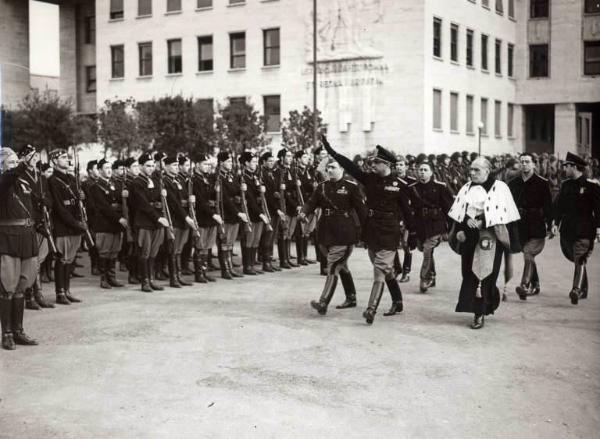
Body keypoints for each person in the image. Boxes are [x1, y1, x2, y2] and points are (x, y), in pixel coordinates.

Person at [321, 136, 414, 324]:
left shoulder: (401, 186)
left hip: (389, 231)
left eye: (377, 162)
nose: (373, 165)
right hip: (372, 230)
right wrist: (332, 152)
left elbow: (408, 213)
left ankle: (371, 310)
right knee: (384, 268)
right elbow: (350, 166)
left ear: (386, 164)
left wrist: (412, 234)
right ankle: (397, 301)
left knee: (380, 269)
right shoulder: (369, 179)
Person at [448, 157, 521, 329]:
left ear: (487, 171)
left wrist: (482, 220)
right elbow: (459, 211)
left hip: (490, 236)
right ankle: (484, 301)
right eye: (471, 170)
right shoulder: (466, 188)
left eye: (477, 170)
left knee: (484, 273)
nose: (472, 173)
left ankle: (479, 313)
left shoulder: (500, 188)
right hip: (469, 236)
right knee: (468, 272)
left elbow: (504, 213)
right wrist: (463, 224)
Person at [300, 158, 366, 314]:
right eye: (328, 168)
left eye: (333, 167)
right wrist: (303, 212)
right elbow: (311, 202)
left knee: (333, 266)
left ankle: (323, 302)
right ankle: (351, 297)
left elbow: (362, 211)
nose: (329, 170)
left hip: (345, 233)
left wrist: (366, 233)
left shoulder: (351, 187)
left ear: (342, 169)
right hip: (325, 232)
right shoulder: (322, 187)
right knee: (341, 266)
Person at [0, 147, 39, 350]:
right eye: (11, 162)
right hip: (8, 239)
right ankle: (6, 333)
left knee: (22, 286)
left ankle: (18, 331)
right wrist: (23, 164)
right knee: (8, 286)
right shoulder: (3, 181)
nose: (15, 166)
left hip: (27, 237)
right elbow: (7, 179)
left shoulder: (24, 182)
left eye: (17, 162)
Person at [552, 152, 600, 305]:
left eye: (566, 166)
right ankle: (584, 289)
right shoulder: (566, 185)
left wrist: (599, 229)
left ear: (574, 167)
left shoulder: (592, 186)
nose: (564, 168)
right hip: (568, 230)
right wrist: (555, 223)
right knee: (576, 257)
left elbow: (598, 210)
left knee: (580, 256)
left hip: (585, 229)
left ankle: (576, 289)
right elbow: (559, 207)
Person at [508, 153, 553, 300]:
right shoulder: (513, 183)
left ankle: (525, 285)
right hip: (520, 225)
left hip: (536, 224)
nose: (524, 164)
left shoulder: (542, 183)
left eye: (527, 162)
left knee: (528, 252)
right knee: (528, 255)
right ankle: (536, 284)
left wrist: (551, 224)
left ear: (534, 164)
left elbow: (548, 206)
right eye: (522, 162)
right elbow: (508, 204)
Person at [408, 162, 454, 293]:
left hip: (435, 224)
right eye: (420, 169)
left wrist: (448, 228)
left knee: (428, 250)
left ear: (431, 172)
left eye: (425, 169)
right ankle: (432, 276)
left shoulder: (440, 187)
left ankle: (424, 279)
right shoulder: (413, 188)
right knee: (424, 249)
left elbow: (448, 208)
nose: (422, 172)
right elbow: (410, 208)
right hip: (420, 225)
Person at [48, 149, 86, 305]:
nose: (67, 160)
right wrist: (75, 223)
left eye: (67, 157)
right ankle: (60, 292)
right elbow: (59, 207)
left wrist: (82, 196)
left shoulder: (71, 178)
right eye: (63, 158)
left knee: (70, 260)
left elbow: (78, 202)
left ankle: (67, 290)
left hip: (75, 225)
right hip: (63, 226)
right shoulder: (52, 181)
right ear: (55, 161)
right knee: (62, 259)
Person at [129, 153, 170, 292]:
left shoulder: (155, 181)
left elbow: (157, 201)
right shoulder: (136, 183)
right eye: (148, 166)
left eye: (153, 166)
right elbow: (143, 203)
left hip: (156, 222)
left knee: (153, 252)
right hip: (144, 222)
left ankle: (151, 279)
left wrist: (162, 194)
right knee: (144, 252)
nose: (151, 168)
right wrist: (158, 217)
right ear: (141, 166)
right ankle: (145, 281)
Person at [88, 158, 128, 290]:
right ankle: (104, 278)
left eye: (110, 167)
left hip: (115, 224)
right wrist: (119, 219)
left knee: (114, 251)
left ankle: (112, 277)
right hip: (105, 223)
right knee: (104, 252)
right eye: (106, 168)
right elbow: (104, 207)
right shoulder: (96, 186)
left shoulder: (116, 184)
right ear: (99, 171)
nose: (109, 170)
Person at [163, 155, 196, 288]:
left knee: (179, 249)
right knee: (173, 249)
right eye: (174, 165)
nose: (176, 168)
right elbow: (174, 203)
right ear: (166, 167)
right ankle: (173, 278)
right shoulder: (165, 181)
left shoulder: (178, 180)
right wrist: (186, 217)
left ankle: (179, 275)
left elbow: (183, 199)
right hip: (175, 219)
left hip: (183, 219)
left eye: (177, 165)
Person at [216, 151, 249, 279]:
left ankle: (230, 268)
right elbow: (224, 198)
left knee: (230, 243)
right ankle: (225, 270)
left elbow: (235, 192)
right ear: (221, 163)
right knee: (224, 242)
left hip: (235, 214)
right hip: (226, 213)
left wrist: (242, 189)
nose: (231, 164)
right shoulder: (219, 177)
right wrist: (238, 212)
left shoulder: (232, 176)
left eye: (231, 161)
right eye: (228, 161)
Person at [191, 153, 220, 283]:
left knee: (207, 246)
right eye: (204, 164)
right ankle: (199, 274)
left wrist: (216, 191)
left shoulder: (207, 178)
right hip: (202, 217)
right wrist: (213, 214)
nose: (207, 167)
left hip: (210, 217)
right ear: (197, 165)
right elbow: (201, 201)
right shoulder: (194, 180)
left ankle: (204, 271)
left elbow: (211, 197)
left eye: (209, 164)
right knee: (200, 245)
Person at [239, 151, 269, 275]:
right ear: (246, 163)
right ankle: (247, 266)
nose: (256, 164)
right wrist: (260, 214)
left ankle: (252, 264)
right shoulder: (243, 177)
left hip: (258, 212)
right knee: (248, 240)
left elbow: (258, 197)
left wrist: (262, 190)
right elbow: (249, 199)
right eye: (253, 162)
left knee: (256, 240)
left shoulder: (255, 177)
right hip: (250, 213)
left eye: (257, 162)